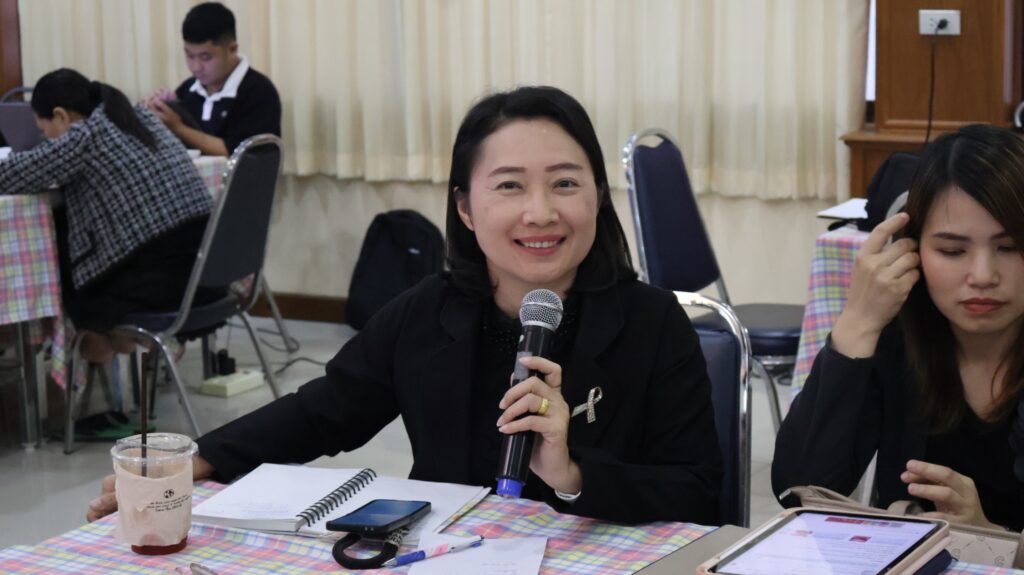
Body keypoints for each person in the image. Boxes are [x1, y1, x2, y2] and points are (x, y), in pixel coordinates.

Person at [87, 86, 723, 525]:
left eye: (565, 183)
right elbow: (323, 411)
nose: (540, 212)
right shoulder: (427, 313)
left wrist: (571, 474)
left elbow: (697, 491)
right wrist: (191, 461)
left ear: (597, 198)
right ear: (466, 208)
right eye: (509, 186)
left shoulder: (653, 323)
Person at [772, 124, 1024, 532]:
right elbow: (798, 491)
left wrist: (988, 536)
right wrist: (858, 322)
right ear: (912, 249)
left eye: (1010, 247)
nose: (982, 275)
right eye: (952, 250)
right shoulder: (898, 336)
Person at [0, 68, 213, 364]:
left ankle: (90, 358)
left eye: (43, 131)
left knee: (70, 265)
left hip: (163, 283)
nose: (45, 140)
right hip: (207, 273)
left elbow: (9, 175)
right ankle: (112, 358)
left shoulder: (84, 137)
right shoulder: (140, 117)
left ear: (61, 116)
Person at [145, 2, 281, 157]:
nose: (196, 67)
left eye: (205, 57)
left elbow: (236, 153)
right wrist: (157, 113)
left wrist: (178, 128)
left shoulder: (258, 91)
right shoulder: (188, 89)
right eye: (190, 56)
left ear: (232, 49)